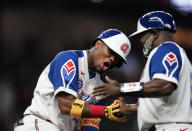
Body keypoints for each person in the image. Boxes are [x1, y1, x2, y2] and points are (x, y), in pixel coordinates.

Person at [13, 29, 131, 131]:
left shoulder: (101, 87)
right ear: (98, 44)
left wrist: (106, 111)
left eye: (117, 59)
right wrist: (106, 111)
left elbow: (89, 126)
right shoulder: (69, 59)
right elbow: (65, 105)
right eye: (111, 52)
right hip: (39, 123)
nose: (112, 59)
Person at [93, 11, 192, 131]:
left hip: (171, 127)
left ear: (154, 33)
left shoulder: (165, 49)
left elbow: (165, 86)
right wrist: (127, 109)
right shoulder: (173, 52)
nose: (140, 41)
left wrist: (120, 88)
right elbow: (161, 104)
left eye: (142, 36)